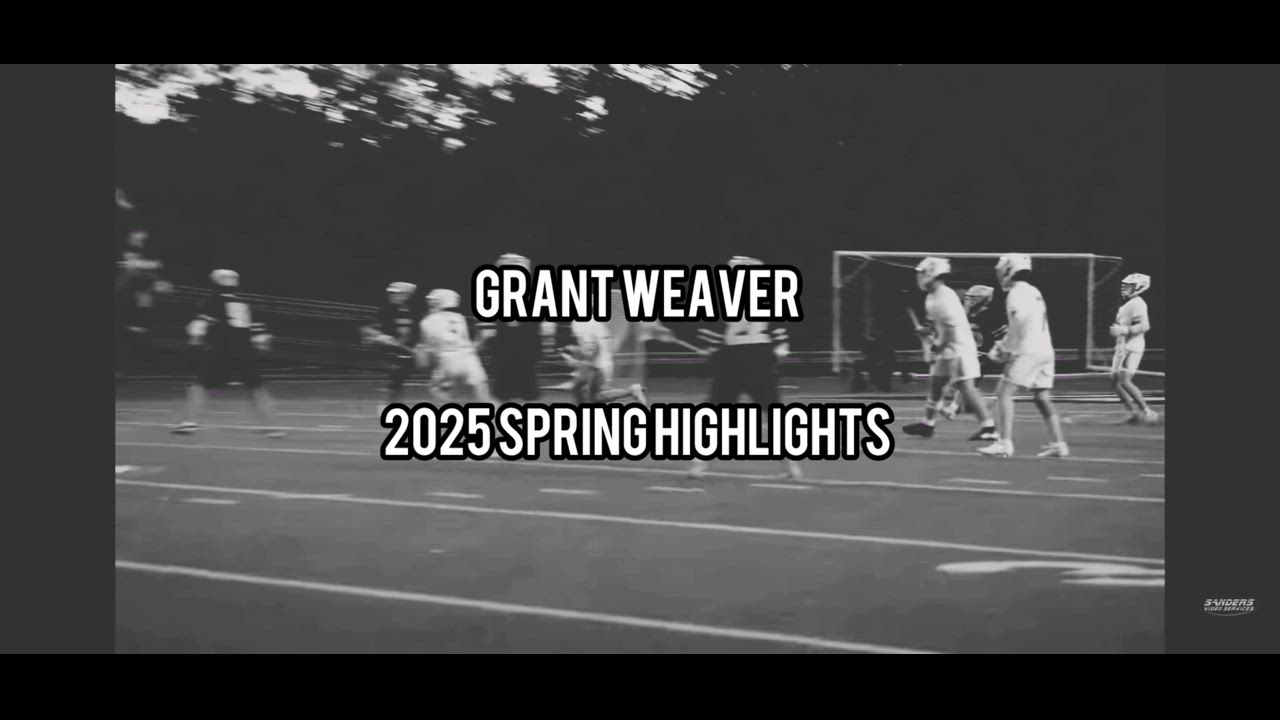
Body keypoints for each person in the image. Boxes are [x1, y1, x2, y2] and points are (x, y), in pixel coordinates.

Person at [689, 256, 802, 480]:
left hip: (735, 358)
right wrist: (773, 358)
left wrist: (711, 350)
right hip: (759, 358)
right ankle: (791, 466)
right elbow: (782, 343)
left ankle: (699, 464)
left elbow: (714, 333)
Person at [171, 269, 283, 437]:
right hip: (244, 351)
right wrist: (262, 347)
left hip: (220, 350)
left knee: (199, 386)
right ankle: (272, 427)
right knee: (257, 388)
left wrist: (193, 345)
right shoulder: (245, 304)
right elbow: (260, 334)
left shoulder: (211, 303)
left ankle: (189, 422)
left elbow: (198, 328)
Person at [977, 254, 1069, 458]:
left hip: (1029, 350)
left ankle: (1004, 443)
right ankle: (1058, 443)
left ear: (1008, 271)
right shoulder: (1033, 290)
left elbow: (1019, 323)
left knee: (1004, 393)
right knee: (1042, 397)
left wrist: (1005, 348)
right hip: (1045, 350)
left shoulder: (1016, 294)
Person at [901, 258, 998, 441]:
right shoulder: (932, 297)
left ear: (933, 275)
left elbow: (951, 332)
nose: (919, 277)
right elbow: (936, 325)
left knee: (967, 388)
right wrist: (926, 332)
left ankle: (989, 427)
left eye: (923, 273)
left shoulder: (944, 298)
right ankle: (928, 424)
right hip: (949, 348)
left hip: (959, 349)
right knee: (936, 385)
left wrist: (938, 349)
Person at [416, 288, 493, 402]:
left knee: (436, 390)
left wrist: (422, 356)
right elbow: (487, 334)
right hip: (469, 359)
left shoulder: (427, 321)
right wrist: (474, 348)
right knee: (485, 398)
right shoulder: (461, 318)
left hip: (447, 360)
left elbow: (427, 355)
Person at [1110, 273, 1159, 425]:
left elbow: (1145, 326)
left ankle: (1147, 411)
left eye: (1128, 286)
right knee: (1115, 381)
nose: (1124, 288)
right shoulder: (1128, 303)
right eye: (1124, 285)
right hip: (1123, 346)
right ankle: (1133, 413)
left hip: (1132, 346)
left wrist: (1124, 330)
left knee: (1124, 380)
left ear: (1138, 287)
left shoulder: (1138, 304)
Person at [361, 282, 421, 404]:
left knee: (397, 381)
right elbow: (373, 330)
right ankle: (389, 404)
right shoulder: (384, 311)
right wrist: (378, 337)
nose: (391, 295)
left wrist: (414, 346)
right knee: (395, 378)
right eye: (390, 293)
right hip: (389, 350)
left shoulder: (414, 312)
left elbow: (416, 331)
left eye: (395, 293)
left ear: (406, 295)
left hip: (405, 351)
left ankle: (392, 403)